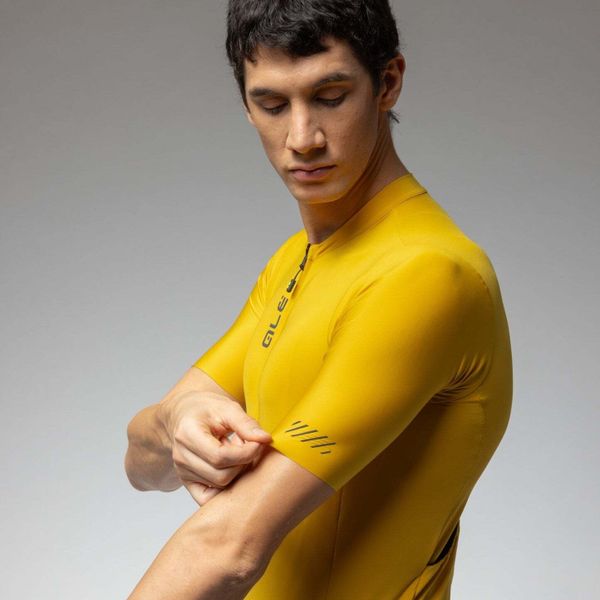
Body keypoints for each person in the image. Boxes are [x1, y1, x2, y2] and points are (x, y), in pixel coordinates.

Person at [124, 1, 513, 598]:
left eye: (331, 97)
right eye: (272, 104)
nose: (302, 138)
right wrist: (178, 419)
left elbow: (230, 547)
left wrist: (178, 423)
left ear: (387, 82)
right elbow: (141, 461)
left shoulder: (426, 275)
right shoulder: (297, 259)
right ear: (246, 104)